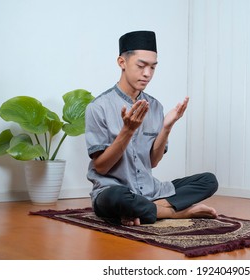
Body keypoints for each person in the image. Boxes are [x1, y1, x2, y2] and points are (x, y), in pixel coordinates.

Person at [85, 30, 218, 226]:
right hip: (113, 189)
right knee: (117, 199)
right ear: (122, 62)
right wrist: (127, 131)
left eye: (153, 67)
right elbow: (101, 167)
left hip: (150, 190)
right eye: (141, 65)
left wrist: (166, 127)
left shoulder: (155, 107)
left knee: (209, 180)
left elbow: (153, 162)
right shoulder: (98, 107)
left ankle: (149, 208)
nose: (147, 74)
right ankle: (175, 212)